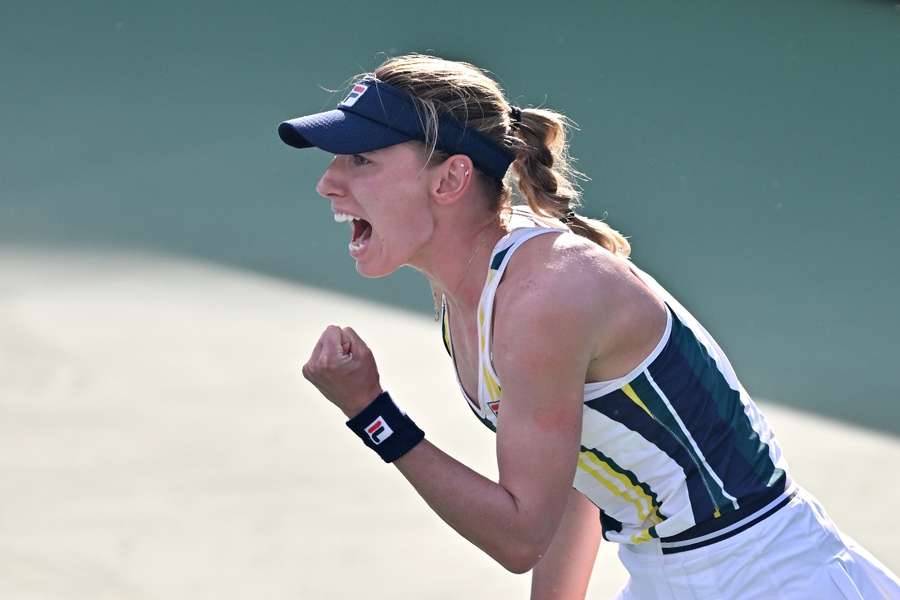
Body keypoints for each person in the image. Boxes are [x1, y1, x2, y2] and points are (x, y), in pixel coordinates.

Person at [277, 54, 899, 599]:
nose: (328, 182)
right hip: (669, 574)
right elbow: (574, 473)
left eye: (360, 160)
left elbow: (521, 534)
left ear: (450, 179)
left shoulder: (546, 294)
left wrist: (372, 412)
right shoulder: (472, 292)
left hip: (768, 580)